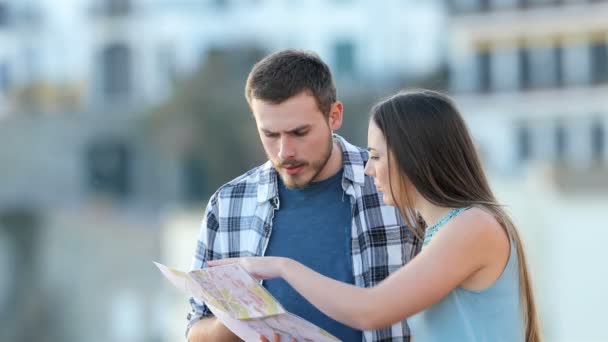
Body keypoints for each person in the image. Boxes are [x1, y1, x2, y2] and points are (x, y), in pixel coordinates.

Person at [211, 89, 543, 342]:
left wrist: (282, 266)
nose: (369, 170)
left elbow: (370, 311)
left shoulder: (472, 227)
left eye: (376, 157)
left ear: (414, 158)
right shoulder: (442, 232)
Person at [185, 49, 420, 342]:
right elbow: (196, 329)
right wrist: (242, 324)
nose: (285, 152)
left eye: (299, 132)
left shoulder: (393, 186)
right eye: (270, 134)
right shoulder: (229, 205)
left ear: (334, 116)